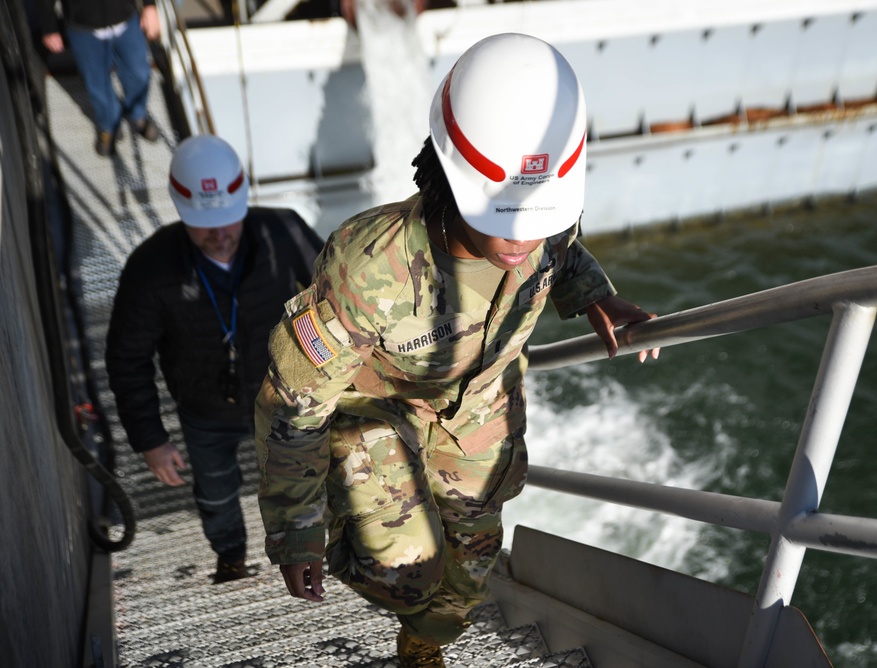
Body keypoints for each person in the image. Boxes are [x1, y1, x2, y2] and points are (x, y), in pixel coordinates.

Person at [254, 33, 659, 667]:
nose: (526, 238)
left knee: (470, 573)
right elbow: (292, 406)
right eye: (506, 218)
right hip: (379, 415)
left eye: (540, 217)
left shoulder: (545, 218)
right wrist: (295, 531)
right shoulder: (368, 266)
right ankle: (348, 519)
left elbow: (561, 252)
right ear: (451, 177)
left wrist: (594, 297)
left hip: (477, 421)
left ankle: (422, 648)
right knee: (406, 572)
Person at [106, 134, 324, 583]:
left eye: (228, 220)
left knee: (303, 480)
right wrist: (150, 439)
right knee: (216, 491)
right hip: (205, 409)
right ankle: (231, 557)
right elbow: (127, 360)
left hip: (285, 398)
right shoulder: (149, 269)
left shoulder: (285, 233)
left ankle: (308, 557)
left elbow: (340, 301)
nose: (219, 234)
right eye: (204, 224)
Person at [37, 0, 161, 156]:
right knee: (97, 84)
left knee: (139, 73)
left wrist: (150, 6)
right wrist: (49, 28)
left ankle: (138, 114)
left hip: (126, 19)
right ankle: (109, 125)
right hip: (83, 28)